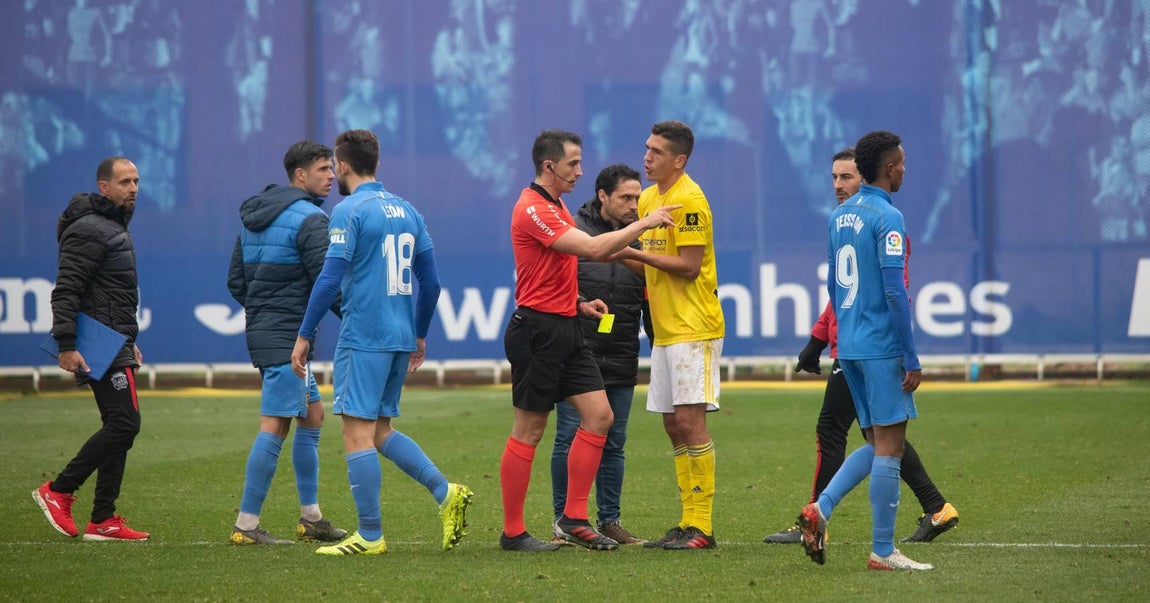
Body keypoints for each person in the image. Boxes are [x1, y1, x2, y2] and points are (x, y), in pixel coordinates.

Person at [290, 129, 472, 555]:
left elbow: (329, 277)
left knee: (356, 433)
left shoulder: (348, 211)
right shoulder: (408, 210)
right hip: (399, 335)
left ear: (344, 165)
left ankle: (370, 534)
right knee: (380, 431)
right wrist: (420, 333)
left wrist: (304, 335)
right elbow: (432, 283)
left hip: (364, 336)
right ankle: (446, 493)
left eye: (334, 165)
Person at [764, 148, 958, 546]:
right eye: (834, 177)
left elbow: (860, 289)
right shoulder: (872, 220)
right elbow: (872, 291)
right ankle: (920, 516)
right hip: (865, 345)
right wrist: (821, 339)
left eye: (846, 177)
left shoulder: (854, 220)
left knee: (856, 435)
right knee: (883, 441)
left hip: (857, 346)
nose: (838, 185)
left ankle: (819, 512)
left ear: (865, 176)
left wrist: (825, 339)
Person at [499, 130, 678, 553]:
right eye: (573, 164)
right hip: (537, 332)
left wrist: (578, 302)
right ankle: (513, 532)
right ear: (549, 167)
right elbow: (594, 251)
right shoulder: (533, 208)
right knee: (531, 428)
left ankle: (575, 519)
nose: (580, 171)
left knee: (599, 417)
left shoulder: (557, 205)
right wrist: (645, 223)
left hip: (566, 325)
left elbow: (561, 266)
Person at [797, 131, 933, 571]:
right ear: (889, 168)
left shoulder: (839, 217)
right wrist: (909, 357)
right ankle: (883, 550)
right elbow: (896, 292)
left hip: (850, 347)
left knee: (876, 444)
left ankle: (820, 508)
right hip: (880, 347)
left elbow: (835, 285)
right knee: (891, 448)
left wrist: (842, 339)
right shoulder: (888, 217)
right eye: (902, 162)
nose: (905, 168)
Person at [225, 140, 348, 545]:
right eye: (322, 169)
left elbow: (236, 283)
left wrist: (265, 311)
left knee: (312, 417)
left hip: (265, 330)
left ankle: (310, 519)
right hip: (285, 339)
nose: (331, 176)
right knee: (274, 426)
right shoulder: (310, 219)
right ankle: (246, 525)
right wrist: (356, 319)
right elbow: (326, 283)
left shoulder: (253, 217)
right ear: (300, 175)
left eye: (331, 168)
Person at [614, 120, 725, 550]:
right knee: (671, 425)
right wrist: (620, 253)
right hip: (663, 331)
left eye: (657, 152)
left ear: (679, 160)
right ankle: (686, 521)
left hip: (694, 327)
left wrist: (629, 248)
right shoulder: (646, 199)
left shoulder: (690, 200)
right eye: (647, 148)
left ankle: (702, 527)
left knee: (690, 423)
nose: (647, 157)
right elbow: (648, 265)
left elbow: (690, 265)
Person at [33, 156, 150, 541]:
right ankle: (59, 490)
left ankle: (103, 519)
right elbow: (67, 289)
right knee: (125, 423)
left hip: (115, 341)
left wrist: (129, 341)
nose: (133, 188)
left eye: (135, 181)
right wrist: (66, 345)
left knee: (120, 427)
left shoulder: (110, 226)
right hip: (98, 341)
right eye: (124, 182)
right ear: (104, 187)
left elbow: (112, 293)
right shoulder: (90, 229)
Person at [550, 163, 649, 546]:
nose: (633, 205)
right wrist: (578, 303)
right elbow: (553, 285)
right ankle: (563, 521)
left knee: (615, 441)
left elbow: (650, 294)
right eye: (626, 197)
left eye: (638, 198)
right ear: (603, 196)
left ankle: (609, 520)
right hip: (578, 351)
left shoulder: (641, 237)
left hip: (623, 348)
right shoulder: (571, 230)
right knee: (567, 437)